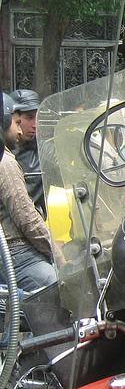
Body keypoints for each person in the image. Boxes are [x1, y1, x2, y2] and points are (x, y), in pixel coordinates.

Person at [0, 93, 55, 291]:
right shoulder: (5, 163)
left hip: (10, 249)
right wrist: (54, 250)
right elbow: (26, 216)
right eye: (16, 122)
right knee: (58, 287)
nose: (19, 130)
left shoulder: (44, 151)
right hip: (15, 250)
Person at [10, 89, 44, 218]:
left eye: (37, 117)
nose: (34, 124)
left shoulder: (43, 150)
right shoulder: (5, 152)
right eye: (29, 117)